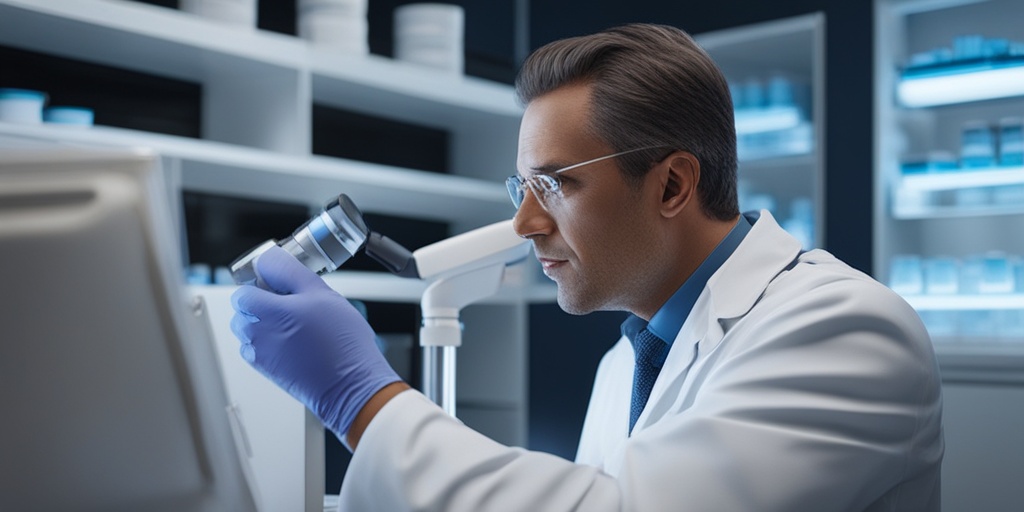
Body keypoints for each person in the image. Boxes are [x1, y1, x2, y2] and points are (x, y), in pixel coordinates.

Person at [230, 23, 943, 511]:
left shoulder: (845, 328)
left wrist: (363, 401)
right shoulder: (627, 362)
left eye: (557, 185)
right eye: (522, 187)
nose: (524, 224)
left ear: (671, 185)